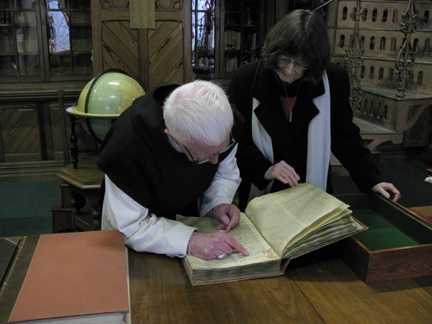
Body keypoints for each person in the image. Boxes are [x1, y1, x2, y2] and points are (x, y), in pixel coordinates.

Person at [227, 9, 401, 210]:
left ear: (314, 62)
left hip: (312, 192)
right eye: (283, 58)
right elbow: (234, 140)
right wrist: (264, 168)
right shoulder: (245, 79)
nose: (289, 70)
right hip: (264, 191)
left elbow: (345, 138)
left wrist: (372, 179)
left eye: (300, 63)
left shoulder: (333, 80)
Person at [97, 80, 249, 260]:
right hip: (138, 243)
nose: (215, 160)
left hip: (190, 217)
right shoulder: (127, 149)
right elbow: (127, 227)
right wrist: (190, 241)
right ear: (173, 137)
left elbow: (224, 169)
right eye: (204, 156)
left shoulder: (220, 118)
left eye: (221, 149)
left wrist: (219, 200)